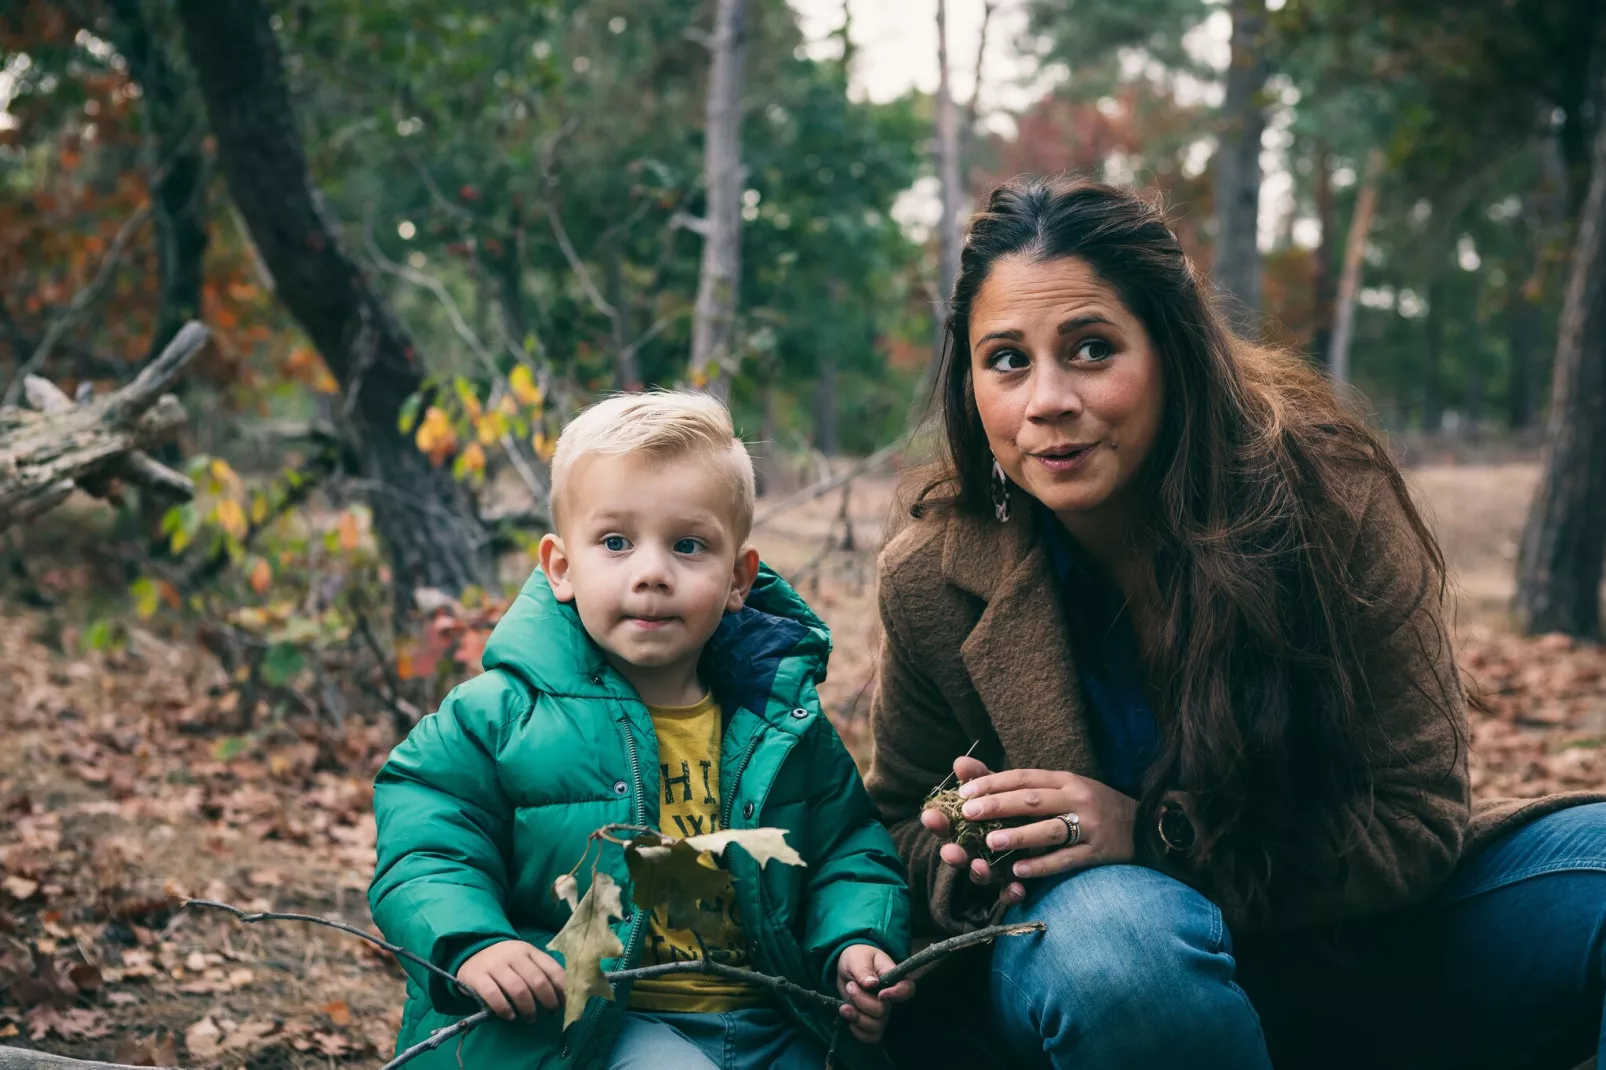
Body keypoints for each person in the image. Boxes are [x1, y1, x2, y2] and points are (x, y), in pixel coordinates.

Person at [866, 175, 1606, 1070]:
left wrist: (1154, 836)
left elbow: (1414, 819)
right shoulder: (933, 576)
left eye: (1092, 348)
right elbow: (899, 825)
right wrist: (979, 848)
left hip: (1356, 946)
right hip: (1109, 984)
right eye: (1008, 360)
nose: (1046, 400)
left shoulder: (1327, 505)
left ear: (1173, 352)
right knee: (1120, 945)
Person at [369, 392, 912, 1070]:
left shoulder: (780, 722)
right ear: (561, 568)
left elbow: (846, 851)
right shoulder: (501, 714)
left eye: (688, 545)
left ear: (739, 578)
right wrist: (474, 943)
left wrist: (856, 941)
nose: (652, 573)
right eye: (616, 542)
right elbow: (426, 841)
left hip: (773, 1012)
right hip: (590, 1027)